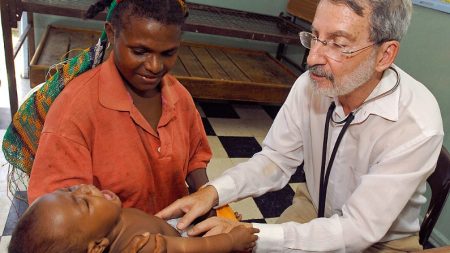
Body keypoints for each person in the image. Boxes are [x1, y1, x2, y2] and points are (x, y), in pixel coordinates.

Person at [156, 0, 444, 252]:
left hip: (380, 243)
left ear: (385, 55)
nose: (312, 59)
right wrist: (213, 191)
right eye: (315, 36)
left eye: (339, 44)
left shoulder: (416, 124)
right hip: (313, 209)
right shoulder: (311, 84)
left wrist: (252, 235)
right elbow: (275, 160)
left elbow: (358, 230)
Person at [27, 0, 212, 215]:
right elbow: (63, 217)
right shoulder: (74, 110)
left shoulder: (178, 96)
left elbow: (195, 158)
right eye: (140, 51)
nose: (155, 66)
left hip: (173, 231)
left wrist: (206, 202)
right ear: (112, 33)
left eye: (168, 53)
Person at [8, 184, 259, 253]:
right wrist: (231, 241)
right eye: (83, 202)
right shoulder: (142, 245)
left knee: (208, 211)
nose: (84, 188)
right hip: (183, 243)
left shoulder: (104, 223)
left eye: (68, 190)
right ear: (97, 247)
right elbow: (193, 247)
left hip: (170, 228)